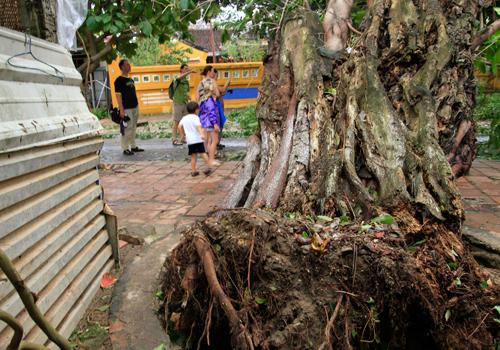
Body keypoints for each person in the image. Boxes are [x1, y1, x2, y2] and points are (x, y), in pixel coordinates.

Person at [114, 59, 144, 155]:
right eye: (127, 64)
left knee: (133, 127)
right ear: (122, 67)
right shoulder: (118, 80)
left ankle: (133, 146)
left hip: (135, 106)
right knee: (127, 128)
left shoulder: (130, 80)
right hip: (126, 108)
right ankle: (125, 148)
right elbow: (118, 96)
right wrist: (121, 110)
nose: (129, 66)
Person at [178, 101, 213, 176]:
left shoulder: (184, 118)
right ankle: (209, 167)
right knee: (203, 153)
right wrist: (202, 134)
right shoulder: (196, 117)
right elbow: (198, 127)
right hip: (197, 140)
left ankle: (193, 171)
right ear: (196, 110)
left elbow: (179, 126)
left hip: (190, 141)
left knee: (193, 156)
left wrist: (182, 135)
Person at [198, 79, 221, 167]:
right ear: (211, 89)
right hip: (211, 123)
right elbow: (211, 112)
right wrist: (215, 124)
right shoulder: (210, 100)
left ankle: (210, 158)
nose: (216, 89)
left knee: (209, 141)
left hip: (205, 122)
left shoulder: (204, 99)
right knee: (214, 141)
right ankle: (211, 160)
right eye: (215, 87)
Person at [171, 63, 193, 146]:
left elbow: (185, 92)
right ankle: (174, 139)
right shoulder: (177, 78)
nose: (187, 70)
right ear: (181, 70)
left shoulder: (186, 81)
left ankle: (182, 138)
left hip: (184, 103)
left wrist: (188, 97)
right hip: (177, 103)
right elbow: (178, 78)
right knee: (176, 122)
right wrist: (189, 72)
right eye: (185, 69)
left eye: (188, 68)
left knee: (184, 121)